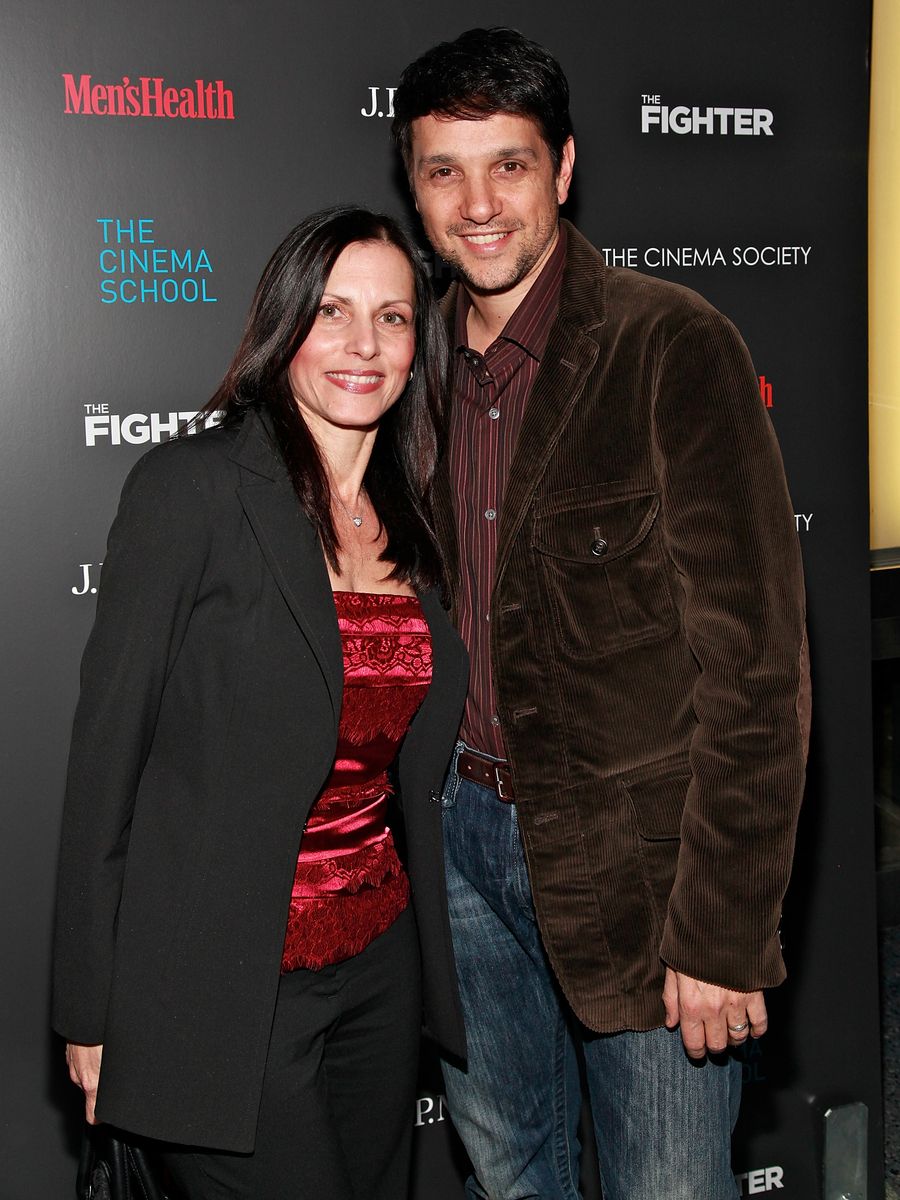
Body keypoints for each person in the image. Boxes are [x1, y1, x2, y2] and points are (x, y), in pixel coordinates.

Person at [392, 28, 810, 1200]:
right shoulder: (407, 364)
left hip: (642, 873)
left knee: (668, 1188)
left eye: (509, 165)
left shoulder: (671, 345)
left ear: (564, 169)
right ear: (412, 184)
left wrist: (723, 931)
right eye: (443, 170)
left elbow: (760, 671)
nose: (478, 205)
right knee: (516, 1178)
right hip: (460, 849)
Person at [51, 205, 468, 1200]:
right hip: (217, 978)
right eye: (333, 312)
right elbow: (105, 759)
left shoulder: (420, 515)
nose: (364, 345)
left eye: (394, 318)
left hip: (379, 965)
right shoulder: (190, 490)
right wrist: (89, 1009)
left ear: (419, 346)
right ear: (287, 326)